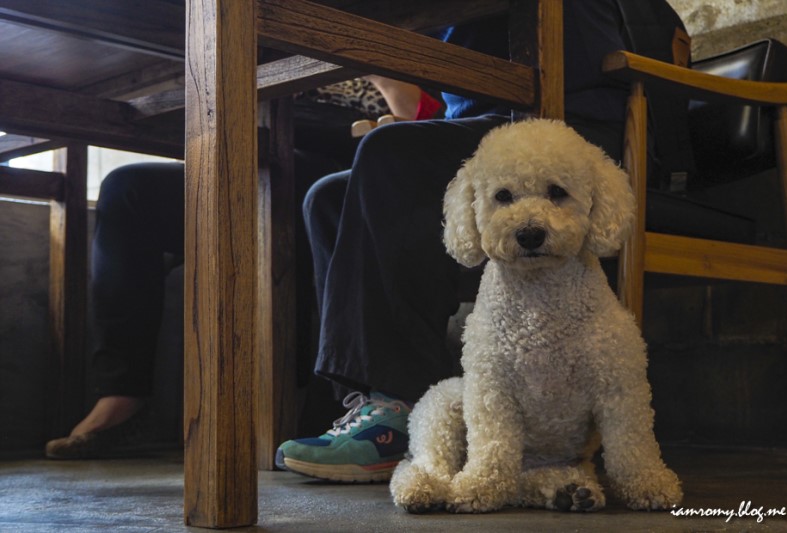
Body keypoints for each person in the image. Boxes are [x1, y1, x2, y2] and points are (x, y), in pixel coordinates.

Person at [275, 1, 642, 482]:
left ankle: (400, 406)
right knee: (327, 197)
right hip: (484, 128)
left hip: (564, 122)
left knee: (388, 154)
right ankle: (371, 405)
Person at [44, 77, 439, 459]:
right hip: (247, 151)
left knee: (307, 190)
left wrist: (371, 67)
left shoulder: (386, 58)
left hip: (340, 163)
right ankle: (122, 392)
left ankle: (304, 402)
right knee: (126, 188)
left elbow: (426, 122)